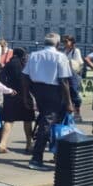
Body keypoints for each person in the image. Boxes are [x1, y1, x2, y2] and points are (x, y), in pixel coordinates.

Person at [23, 33, 73, 170]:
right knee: (48, 123)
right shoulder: (60, 56)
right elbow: (64, 81)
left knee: (45, 120)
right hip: (54, 91)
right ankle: (36, 158)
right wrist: (69, 102)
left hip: (37, 90)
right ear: (57, 44)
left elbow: (25, 76)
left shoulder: (34, 55)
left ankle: (51, 154)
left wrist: (26, 96)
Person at [0, 48, 35, 153]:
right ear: (23, 55)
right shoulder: (25, 65)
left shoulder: (8, 65)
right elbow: (31, 80)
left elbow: (1, 79)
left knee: (9, 120)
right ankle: (29, 144)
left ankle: (2, 143)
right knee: (28, 120)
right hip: (25, 95)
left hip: (10, 95)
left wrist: (7, 89)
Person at [62, 35, 83, 122]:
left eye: (66, 41)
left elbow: (79, 63)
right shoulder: (64, 51)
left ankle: (77, 114)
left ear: (72, 42)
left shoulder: (76, 51)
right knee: (67, 94)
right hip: (66, 75)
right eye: (63, 41)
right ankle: (68, 115)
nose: (64, 43)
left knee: (75, 94)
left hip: (74, 75)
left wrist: (69, 62)